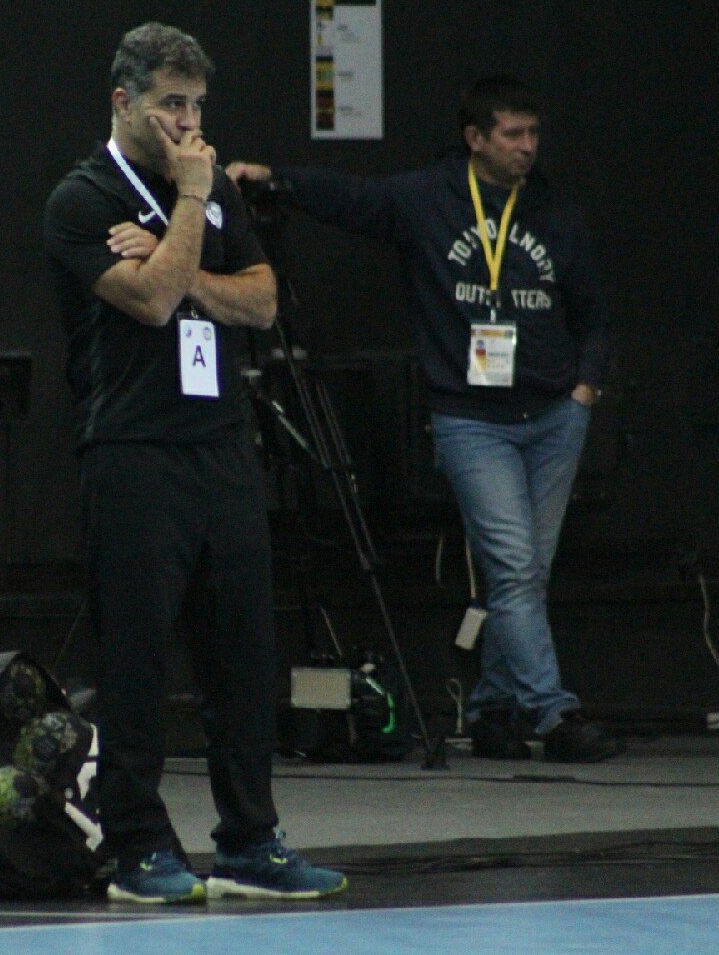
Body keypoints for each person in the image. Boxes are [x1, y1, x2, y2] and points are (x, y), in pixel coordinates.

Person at [226, 76, 623, 763]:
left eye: (533, 134)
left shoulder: (554, 211)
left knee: (524, 575)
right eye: (513, 135)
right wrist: (276, 179)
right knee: (514, 565)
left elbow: (591, 312)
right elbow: (352, 199)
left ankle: (495, 711)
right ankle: (553, 713)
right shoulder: (428, 199)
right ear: (475, 139)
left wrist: (584, 390)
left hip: (554, 415)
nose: (528, 147)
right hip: (472, 419)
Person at [43, 22, 346, 903]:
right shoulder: (82, 198)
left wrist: (186, 264)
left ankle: (250, 841)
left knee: (242, 657)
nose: (188, 123)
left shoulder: (212, 194)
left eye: (198, 106)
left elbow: (263, 302)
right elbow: (147, 301)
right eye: (170, 104)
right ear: (123, 101)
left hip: (221, 449)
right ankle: (138, 846)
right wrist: (186, 208)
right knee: (138, 659)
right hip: (134, 453)